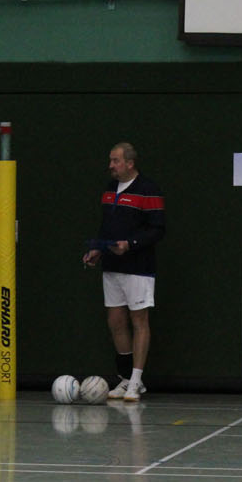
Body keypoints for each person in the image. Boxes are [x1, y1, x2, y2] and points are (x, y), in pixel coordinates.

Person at [81, 142, 164, 402]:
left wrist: (130, 244)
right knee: (116, 321)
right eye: (110, 160)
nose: (111, 165)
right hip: (112, 267)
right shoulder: (109, 190)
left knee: (139, 320)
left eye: (116, 161)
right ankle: (126, 378)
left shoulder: (148, 189)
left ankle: (137, 381)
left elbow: (157, 229)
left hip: (138, 268)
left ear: (130, 163)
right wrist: (97, 249)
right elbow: (106, 226)